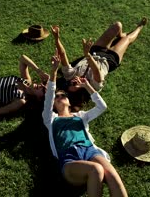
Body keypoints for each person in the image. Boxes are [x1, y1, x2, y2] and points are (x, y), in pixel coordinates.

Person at [42, 54, 128, 197]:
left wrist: (87, 86)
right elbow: (49, 95)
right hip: (69, 157)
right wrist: (53, 72)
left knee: (112, 174)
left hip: (90, 151)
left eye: (63, 95)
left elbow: (102, 107)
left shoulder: (81, 116)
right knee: (96, 169)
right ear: (53, 105)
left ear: (69, 102)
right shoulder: (50, 119)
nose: (59, 97)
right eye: (57, 97)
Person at [51, 17, 148, 92]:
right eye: (75, 85)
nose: (74, 81)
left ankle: (120, 34)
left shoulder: (69, 75)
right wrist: (87, 55)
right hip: (110, 59)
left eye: (71, 84)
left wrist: (56, 39)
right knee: (127, 39)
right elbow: (96, 71)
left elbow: (63, 55)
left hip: (95, 52)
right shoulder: (94, 86)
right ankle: (140, 27)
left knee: (117, 25)